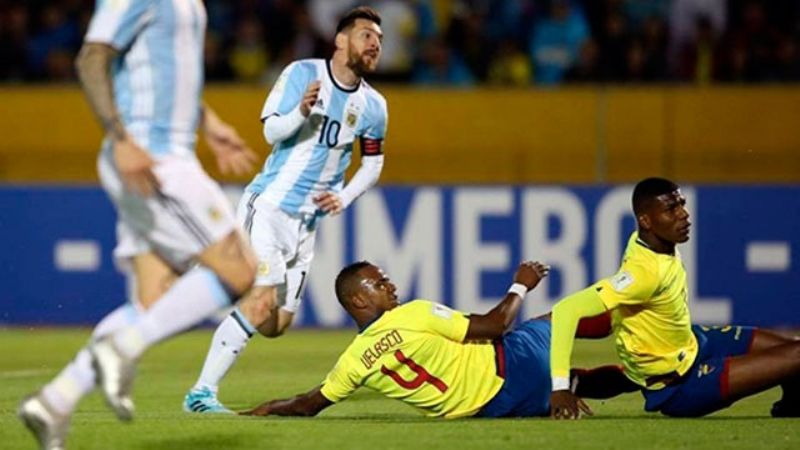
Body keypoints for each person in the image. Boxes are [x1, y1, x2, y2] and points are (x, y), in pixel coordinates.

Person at [18, 1, 259, 448]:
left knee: (153, 302)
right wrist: (121, 139)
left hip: (167, 150)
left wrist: (208, 121)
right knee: (240, 269)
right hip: (151, 157)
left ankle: (54, 402)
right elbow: (92, 57)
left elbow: (168, 69)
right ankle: (119, 352)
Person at [183, 6, 388, 414]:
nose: (375, 44)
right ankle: (201, 395)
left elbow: (373, 162)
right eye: (366, 35)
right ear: (341, 40)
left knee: (277, 324)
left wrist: (344, 197)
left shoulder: (374, 106)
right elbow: (270, 130)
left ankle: (221, 274)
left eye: (379, 40)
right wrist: (299, 112)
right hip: (272, 206)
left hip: (306, 224)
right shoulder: (302, 74)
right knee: (260, 303)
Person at [241, 261, 634, 419]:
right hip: (509, 367)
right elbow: (497, 325)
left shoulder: (354, 361)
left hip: (492, 410)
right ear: (359, 299)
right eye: (379, 283)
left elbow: (307, 405)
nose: (390, 284)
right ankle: (647, 352)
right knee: (563, 316)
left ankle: (585, 383)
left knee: (578, 381)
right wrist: (521, 283)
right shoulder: (411, 314)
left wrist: (257, 412)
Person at [548, 177, 800, 419]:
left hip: (693, 342)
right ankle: (572, 382)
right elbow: (566, 310)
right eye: (671, 209)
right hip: (680, 385)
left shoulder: (648, 241)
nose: (683, 214)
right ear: (646, 221)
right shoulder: (644, 274)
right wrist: (559, 387)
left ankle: (791, 406)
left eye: (681, 204)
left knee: (792, 348)